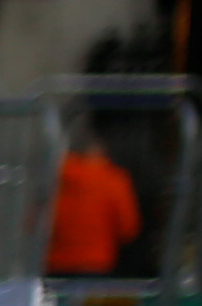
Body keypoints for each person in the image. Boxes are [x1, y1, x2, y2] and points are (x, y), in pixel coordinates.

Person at [45, 118, 143, 277]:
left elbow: (35, 223)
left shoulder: (55, 178)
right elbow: (128, 229)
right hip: (96, 266)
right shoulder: (114, 179)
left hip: (54, 266)